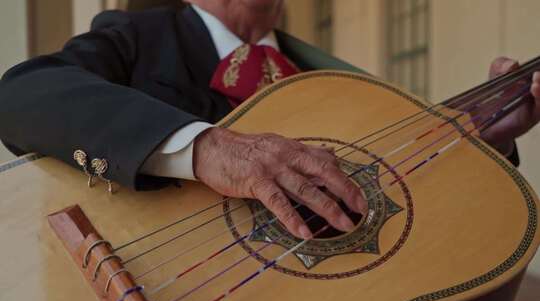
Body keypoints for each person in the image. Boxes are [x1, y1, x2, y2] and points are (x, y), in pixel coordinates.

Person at [0, 0, 539, 240]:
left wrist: (477, 140)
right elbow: (20, 95)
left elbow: (375, 193)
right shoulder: (137, 37)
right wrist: (210, 148)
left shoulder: (332, 76)